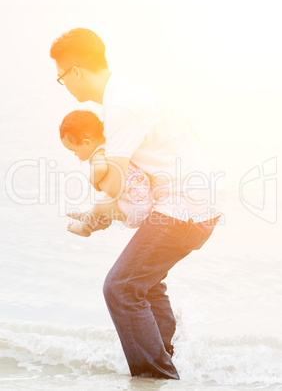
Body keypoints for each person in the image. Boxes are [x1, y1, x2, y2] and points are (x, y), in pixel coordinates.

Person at [50, 28, 223, 380]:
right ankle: (164, 362)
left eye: (61, 76)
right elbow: (128, 190)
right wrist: (95, 215)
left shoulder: (121, 108)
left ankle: (157, 376)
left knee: (120, 288)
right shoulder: (127, 96)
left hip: (183, 209)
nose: (63, 84)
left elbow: (113, 185)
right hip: (196, 206)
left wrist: (91, 175)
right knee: (144, 283)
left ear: (76, 72)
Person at [59, 110, 153, 236]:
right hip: (142, 200)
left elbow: (101, 168)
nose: (76, 155)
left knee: (100, 205)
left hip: (134, 208)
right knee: (106, 201)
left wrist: (92, 180)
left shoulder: (97, 154)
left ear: (86, 143)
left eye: (74, 151)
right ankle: (91, 215)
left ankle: (85, 227)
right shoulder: (111, 145)